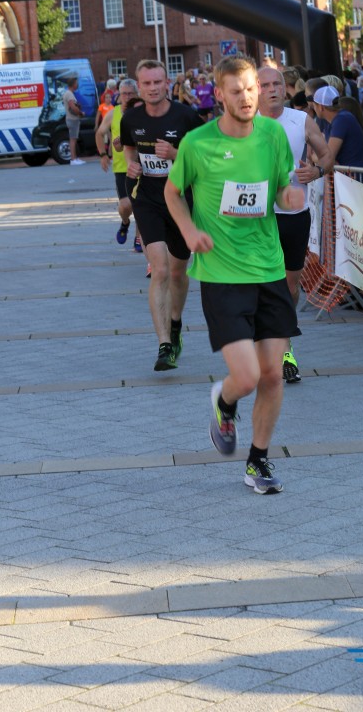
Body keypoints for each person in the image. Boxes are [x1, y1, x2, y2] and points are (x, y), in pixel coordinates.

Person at [164, 56, 304, 494]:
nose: (245, 98)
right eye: (236, 91)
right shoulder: (198, 143)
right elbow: (172, 192)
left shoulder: (273, 135)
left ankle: (257, 462)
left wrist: (290, 196)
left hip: (268, 268)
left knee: (273, 374)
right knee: (246, 377)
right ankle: (224, 401)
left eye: (250, 89)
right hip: (222, 273)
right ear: (220, 96)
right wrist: (189, 232)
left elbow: (280, 187)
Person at [120, 59, 204, 370]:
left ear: (167, 83)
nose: (153, 88)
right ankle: (164, 345)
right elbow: (129, 149)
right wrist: (132, 165)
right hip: (148, 199)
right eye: (147, 83)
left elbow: (204, 161)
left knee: (179, 273)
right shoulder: (130, 118)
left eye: (158, 82)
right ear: (139, 87)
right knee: (160, 270)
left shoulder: (186, 116)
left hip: (181, 201)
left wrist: (176, 154)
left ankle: (176, 322)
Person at [257, 65, 333, 383]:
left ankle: (284, 343)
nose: (272, 89)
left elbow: (326, 156)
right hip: (257, 217)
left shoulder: (301, 120)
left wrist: (316, 171)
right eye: (265, 85)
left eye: (277, 84)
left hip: (293, 212)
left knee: (290, 285)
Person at [96, 77, 143, 251]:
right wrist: (103, 155)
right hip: (122, 168)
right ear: (119, 95)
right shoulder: (113, 113)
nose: (127, 97)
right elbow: (99, 133)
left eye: (131, 94)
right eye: (124, 94)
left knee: (141, 205)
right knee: (126, 205)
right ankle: (125, 222)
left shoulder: (143, 112)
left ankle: (139, 239)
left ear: (137, 94)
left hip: (142, 167)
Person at [313, 87, 363, 169]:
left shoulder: (341, 119)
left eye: (314, 105)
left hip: (353, 175)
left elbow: (328, 158)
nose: (314, 108)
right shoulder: (335, 120)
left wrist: (313, 156)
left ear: (321, 107)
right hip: (347, 174)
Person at [62, 77, 85, 166]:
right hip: (72, 119)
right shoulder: (69, 94)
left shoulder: (68, 93)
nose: (77, 84)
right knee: (73, 139)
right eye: (76, 83)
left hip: (71, 119)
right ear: (73, 84)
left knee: (74, 139)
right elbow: (72, 107)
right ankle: (73, 159)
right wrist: (81, 113)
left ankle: (75, 157)